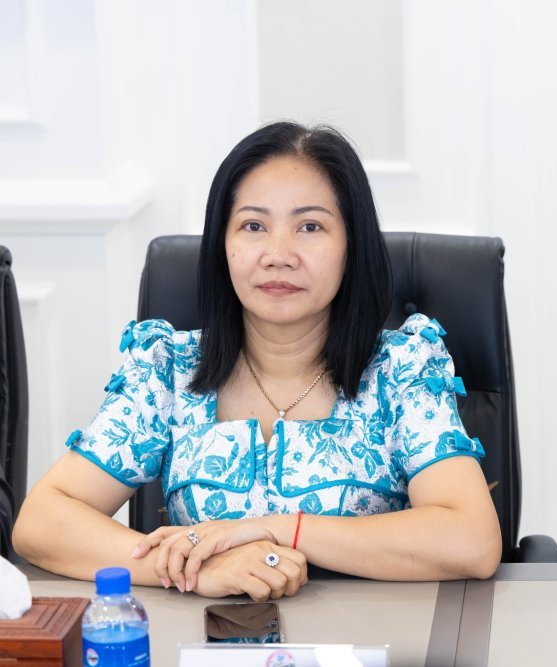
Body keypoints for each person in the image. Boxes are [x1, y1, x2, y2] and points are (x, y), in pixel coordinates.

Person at [13, 122, 502, 599]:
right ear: (222, 245)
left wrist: (275, 529)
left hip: (374, 637)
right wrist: (196, 569)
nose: (278, 254)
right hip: (203, 637)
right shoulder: (170, 369)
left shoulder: (401, 369)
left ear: (352, 246)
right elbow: (42, 522)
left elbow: (471, 541)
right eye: (253, 226)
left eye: (310, 226)